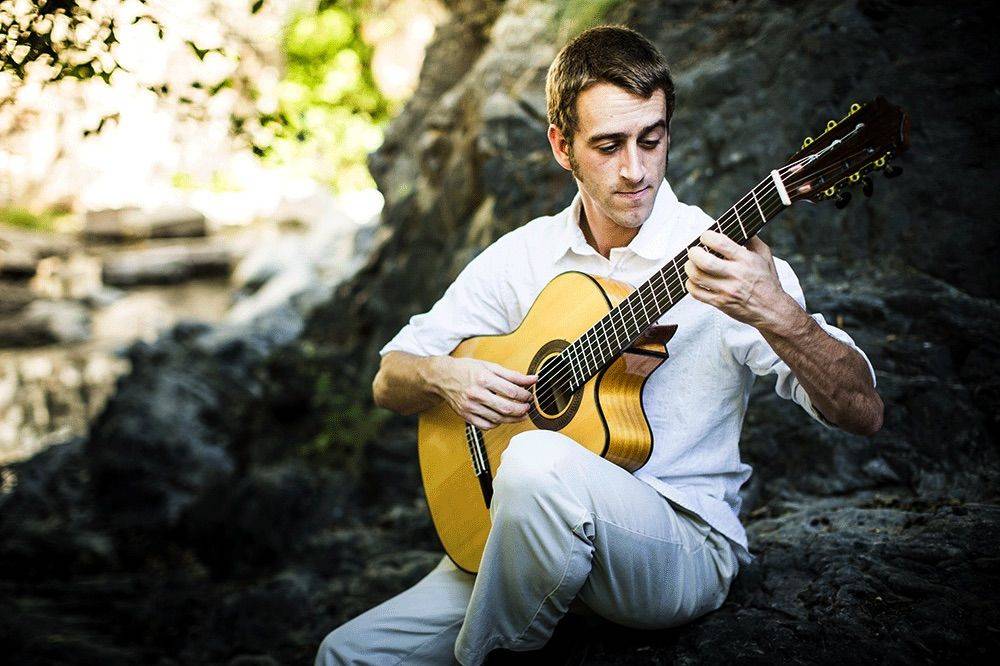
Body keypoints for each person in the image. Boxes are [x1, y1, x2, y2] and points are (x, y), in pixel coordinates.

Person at [316, 24, 883, 666]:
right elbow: (389, 377)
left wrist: (776, 311)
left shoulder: (727, 262)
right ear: (562, 145)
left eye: (652, 139)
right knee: (348, 653)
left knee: (535, 461)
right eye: (609, 146)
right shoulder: (526, 255)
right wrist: (448, 377)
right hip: (516, 537)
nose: (635, 170)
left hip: (676, 545)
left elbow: (862, 412)